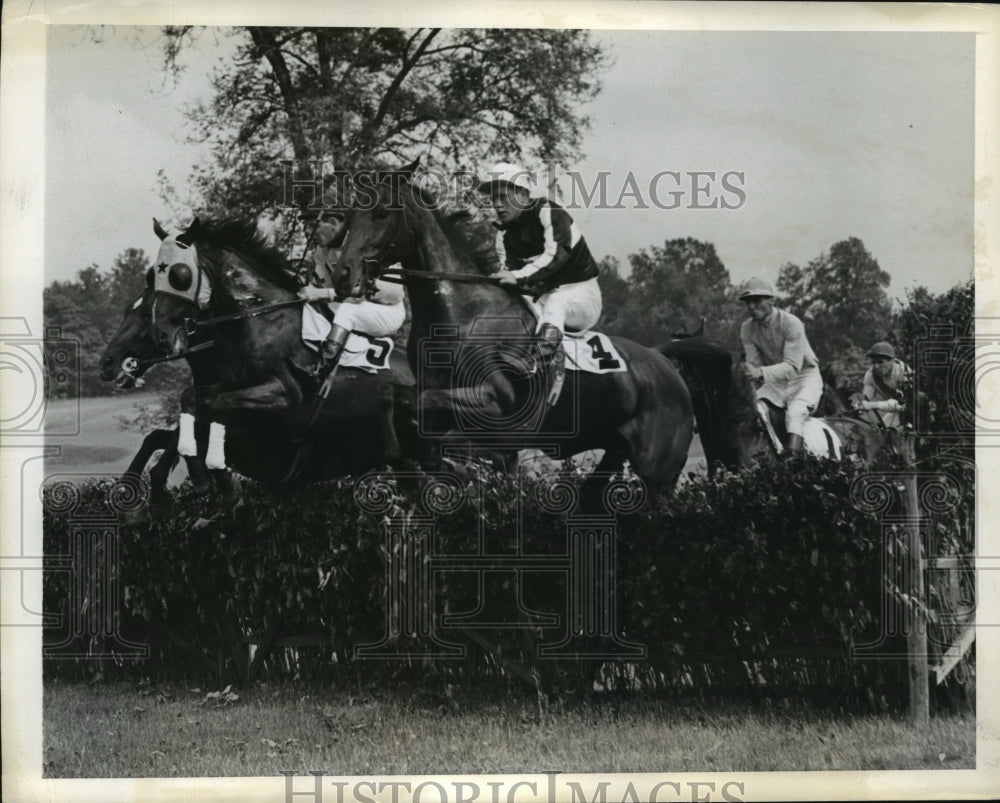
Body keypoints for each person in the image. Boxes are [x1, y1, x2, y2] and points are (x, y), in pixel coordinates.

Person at [477, 162, 602, 372]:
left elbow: (556, 256)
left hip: (582, 296)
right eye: (493, 199)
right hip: (541, 297)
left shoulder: (550, 212)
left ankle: (538, 363)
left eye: (503, 197)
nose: (497, 205)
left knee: (557, 302)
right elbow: (511, 278)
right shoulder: (503, 235)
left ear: (523, 195)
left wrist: (516, 277)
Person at [297, 209, 406, 376]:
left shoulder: (369, 243)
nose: (307, 232)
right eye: (305, 226)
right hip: (352, 304)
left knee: (347, 311)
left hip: (388, 309)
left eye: (312, 226)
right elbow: (326, 286)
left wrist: (323, 294)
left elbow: (394, 293)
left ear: (333, 223)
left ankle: (323, 368)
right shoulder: (321, 251)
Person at [739, 278, 822, 453]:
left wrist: (759, 372)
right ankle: (772, 454)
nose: (751, 307)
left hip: (804, 377)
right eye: (748, 302)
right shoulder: (747, 329)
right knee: (753, 410)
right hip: (776, 381)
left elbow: (792, 367)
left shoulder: (791, 323)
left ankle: (793, 461)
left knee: (795, 414)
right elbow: (754, 365)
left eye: (756, 300)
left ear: (771, 300)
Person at [854, 341, 911, 430]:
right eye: (874, 362)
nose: (876, 366)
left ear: (892, 360)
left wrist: (872, 405)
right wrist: (860, 405)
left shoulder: (903, 372)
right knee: (881, 431)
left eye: (880, 362)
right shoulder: (871, 375)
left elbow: (902, 404)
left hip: (913, 411)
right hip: (893, 411)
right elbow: (867, 399)